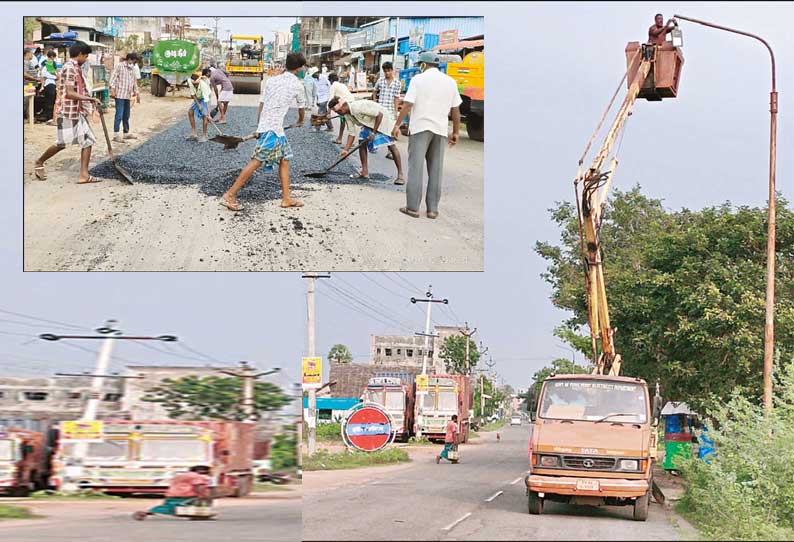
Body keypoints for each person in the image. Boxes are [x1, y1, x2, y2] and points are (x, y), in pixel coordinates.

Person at [220, 51, 307, 212]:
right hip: (272, 131)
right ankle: (230, 195)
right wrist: (300, 121)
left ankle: (286, 198)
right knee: (256, 161)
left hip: (274, 129)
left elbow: (261, 104)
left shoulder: (272, 81)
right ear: (300, 68)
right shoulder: (298, 85)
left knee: (285, 159)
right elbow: (302, 109)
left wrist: (259, 126)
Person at [392, 51, 461, 219]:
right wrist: (456, 132)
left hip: (420, 128)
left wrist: (397, 125)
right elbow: (456, 110)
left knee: (416, 168)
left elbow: (408, 105)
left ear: (423, 65)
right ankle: (432, 210)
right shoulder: (450, 82)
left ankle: (413, 208)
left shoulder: (418, 80)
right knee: (436, 170)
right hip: (440, 130)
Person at [33, 42, 100, 184]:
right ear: (80, 54)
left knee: (88, 141)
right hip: (68, 112)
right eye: (86, 56)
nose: (86, 59)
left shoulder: (77, 68)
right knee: (61, 144)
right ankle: (39, 161)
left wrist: (90, 104)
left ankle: (84, 175)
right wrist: (89, 98)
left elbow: (81, 89)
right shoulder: (69, 68)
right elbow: (70, 93)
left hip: (77, 111)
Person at [328, 97, 405, 185]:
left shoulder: (357, 107)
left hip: (383, 120)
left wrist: (373, 132)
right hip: (369, 123)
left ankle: (400, 175)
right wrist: (346, 150)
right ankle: (365, 172)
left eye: (338, 111)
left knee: (391, 145)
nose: (338, 113)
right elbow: (351, 133)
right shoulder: (346, 114)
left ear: (343, 107)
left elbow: (379, 115)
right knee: (361, 141)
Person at [133, 465, 212, 520]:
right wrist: (203, 495)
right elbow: (198, 486)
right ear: (202, 471)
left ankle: (146, 513)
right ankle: (200, 515)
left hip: (172, 494)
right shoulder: (197, 476)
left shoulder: (180, 476)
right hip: (186, 495)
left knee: (168, 507)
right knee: (199, 503)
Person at [373, 61, 402, 159]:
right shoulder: (380, 80)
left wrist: (395, 111)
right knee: (376, 128)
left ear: (392, 70)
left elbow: (396, 98)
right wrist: (374, 103)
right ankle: (374, 146)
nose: (387, 73)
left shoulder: (397, 83)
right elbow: (374, 90)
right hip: (380, 108)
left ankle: (389, 151)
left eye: (389, 71)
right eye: (385, 71)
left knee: (389, 131)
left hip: (390, 109)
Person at [109, 53, 140, 143]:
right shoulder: (119, 66)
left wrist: (137, 93)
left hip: (127, 95)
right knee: (119, 114)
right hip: (119, 95)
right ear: (129, 59)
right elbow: (113, 78)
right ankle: (116, 134)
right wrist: (112, 90)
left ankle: (126, 133)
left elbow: (134, 82)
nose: (134, 63)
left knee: (126, 115)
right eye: (133, 61)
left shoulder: (132, 69)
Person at [328, 72, 354, 144]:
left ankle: (345, 140)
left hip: (345, 106)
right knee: (345, 122)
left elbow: (330, 100)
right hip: (351, 103)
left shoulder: (333, 86)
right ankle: (340, 138)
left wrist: (328, 113)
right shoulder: (342, 85)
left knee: (347, 122)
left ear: (331, 80)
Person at [186, 72, 211, 143]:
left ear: (199, 82)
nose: (195, 85)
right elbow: (193, 95)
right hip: (197, 97)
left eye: (196, 84)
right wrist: (198, 105)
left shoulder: (204, 86)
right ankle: (194, 134)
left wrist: (209, 114)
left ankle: (204, 136)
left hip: (205, 97)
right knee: (190, 111)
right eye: (194, 84)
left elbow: (207, 101)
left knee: (205, 115)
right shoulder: (190, 82)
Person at [37, 49, 58, 124]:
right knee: (50, 101)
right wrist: (56, 76)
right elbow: (52, 73)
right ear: (52, 56)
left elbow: (41, 72)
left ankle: (48, 117)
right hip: (50, 84)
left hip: (46, 83)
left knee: (48, 101)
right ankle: (49, 117)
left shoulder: (45, 62)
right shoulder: (50, 63)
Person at [23, 50, 41, 121]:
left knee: (30, 101)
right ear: (27, 54)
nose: (32, 55)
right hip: (28, 84)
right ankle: (26, 116)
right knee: (27, 101)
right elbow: (24, 73)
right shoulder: (25, 62)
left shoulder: (28, 62)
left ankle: (29, 117)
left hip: (30, 84)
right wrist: (35, 79)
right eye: (31, 53)